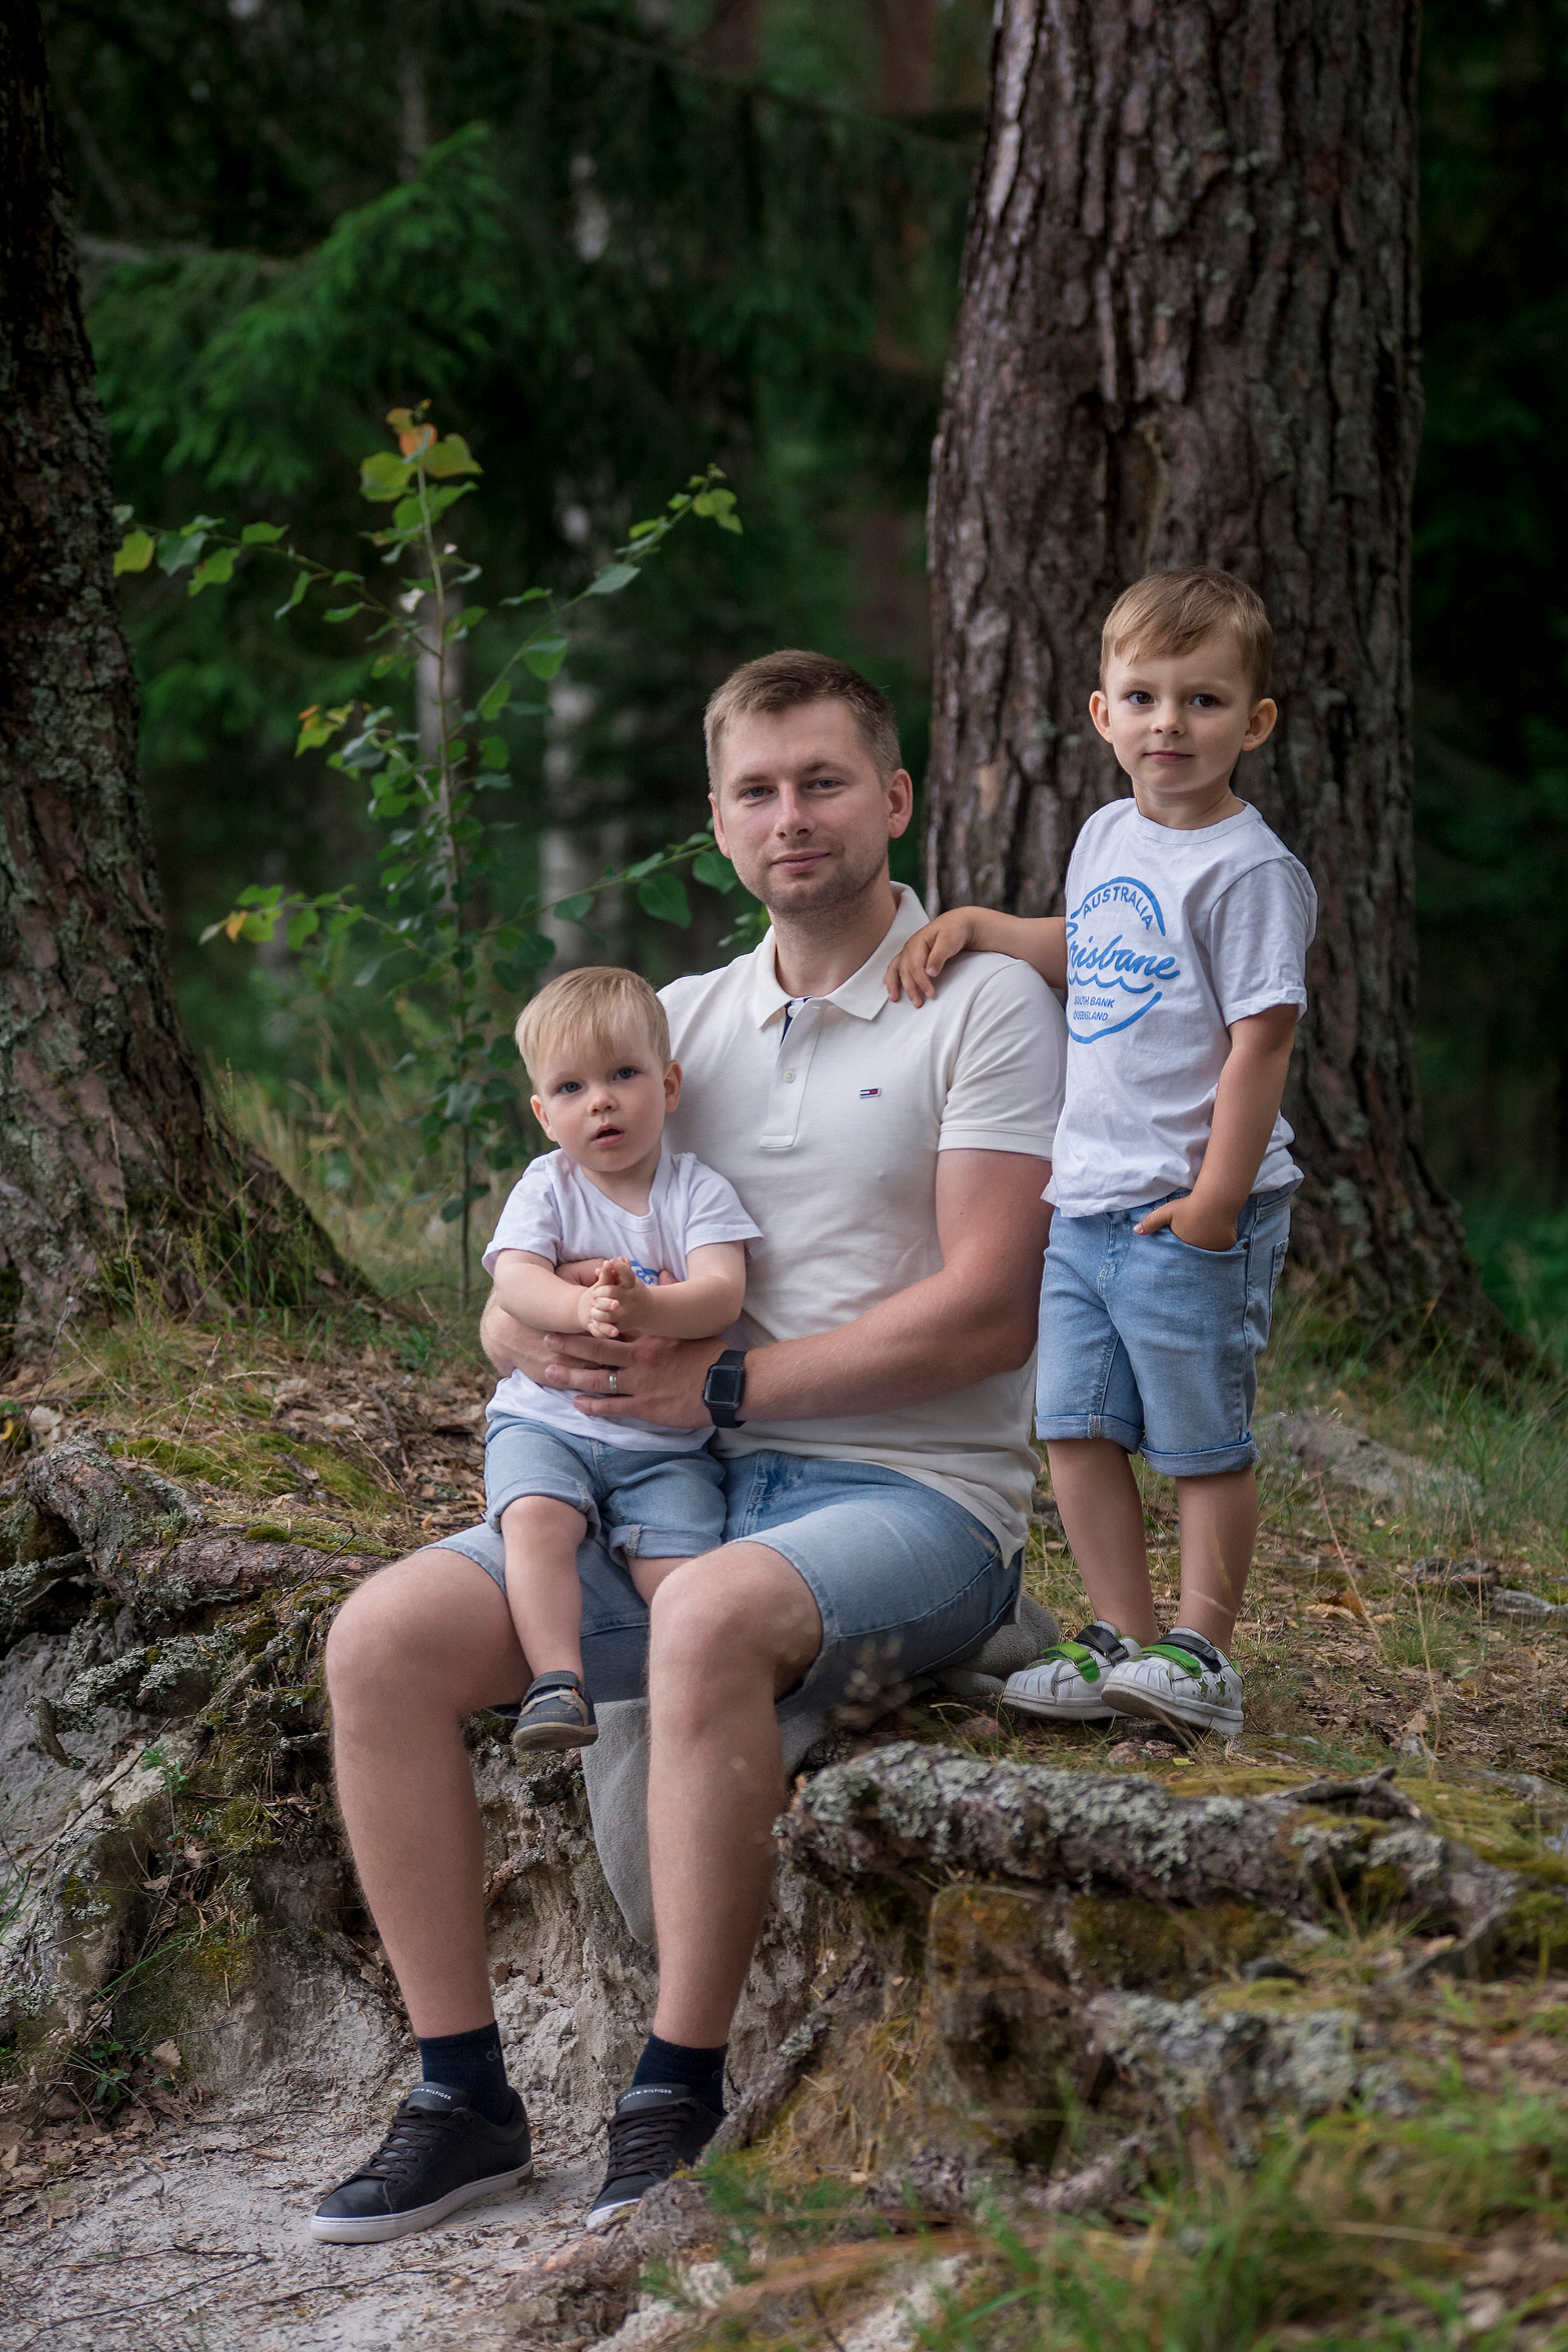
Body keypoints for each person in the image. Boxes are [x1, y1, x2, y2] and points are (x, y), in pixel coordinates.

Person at [312, 648, 1067, 2246]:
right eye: (756, 790)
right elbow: (515, 1297)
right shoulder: (673, 1028)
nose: (791, 816)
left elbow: (992, 1313)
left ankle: (675, 2092)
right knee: (378, 1638)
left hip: (914, 1493)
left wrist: (724, 1394)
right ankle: (461, 2095)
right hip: (679, 1484)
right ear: (716, 823)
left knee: (708, 1606)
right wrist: (534, 1337)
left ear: (893, 799)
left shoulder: (980, 1001)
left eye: (822, 781)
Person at [887, 568, 1316, 1743]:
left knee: (1198, 1440)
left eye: (1204, 701)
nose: (1170, 724)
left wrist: (1218, 1197)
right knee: (1076, 1429)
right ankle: (1124, 1641)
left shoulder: (1250, 870)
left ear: (1254, 723)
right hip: (1085, 1201)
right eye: (1145, 698)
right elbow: (1089, 951)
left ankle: (1203, 1656)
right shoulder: (1105, 833)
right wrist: (986, 929)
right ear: (1102, 715)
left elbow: (1261, 1040)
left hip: (1189, 1203)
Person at [482, 965, 761, 1752]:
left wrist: (647, 1308)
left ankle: (691, 1696)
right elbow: (513, 1278)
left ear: (668, 1086)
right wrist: (575, 1308)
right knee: (535, 1519)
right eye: (570, 1088)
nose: (599, 1100)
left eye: (623, 1075)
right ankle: (555, 1681)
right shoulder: (548, 1187)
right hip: (548, 1423)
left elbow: (721, 1293)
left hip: (663, 1446)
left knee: (679, 1571)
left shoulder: (695, 1191)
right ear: (543, 1114)